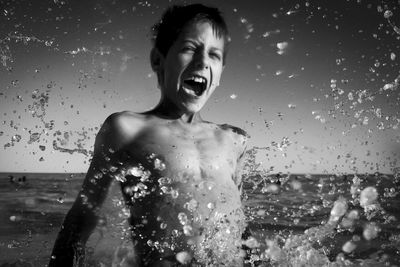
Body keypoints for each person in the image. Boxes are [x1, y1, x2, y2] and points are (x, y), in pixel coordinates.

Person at [49, 4, 249, 266]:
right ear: (158, 60)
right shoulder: (127, 129)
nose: (202, 62)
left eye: (214, 55)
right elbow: (83, 217)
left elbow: (242, 227)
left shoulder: (233, 140)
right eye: (189, 49)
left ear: (221, 70)